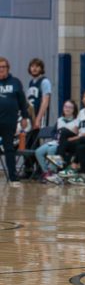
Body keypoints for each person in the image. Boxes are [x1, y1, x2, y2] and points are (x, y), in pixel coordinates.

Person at [0, 57, 30, 187]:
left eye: (3, 67)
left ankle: (13, 178)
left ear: (8, 68)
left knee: (9, 149)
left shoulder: (15, 82)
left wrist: (24, 117)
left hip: (9, 121)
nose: (1, 69)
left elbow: (22, 102)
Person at [37, 99, 79, 184]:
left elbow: (76, 136)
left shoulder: (76, 121)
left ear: (74, 110)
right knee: (38, 151)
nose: (67, 109)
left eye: (70, 107)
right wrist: (56, 136)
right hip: (56, 141)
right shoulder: (59, 120)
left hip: (65, 144)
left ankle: (53, 171)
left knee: (51, 150)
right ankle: (46, 172)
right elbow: (53, 132)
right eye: (66, 107)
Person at [26, 57, 52, 144]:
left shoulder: (45, 82)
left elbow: (45, 102)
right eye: (32, 66)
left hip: (40, 117)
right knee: (29, 143)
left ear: (41, 68)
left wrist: (38, 119)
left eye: (37, 66)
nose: (34, 68)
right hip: (31, 117)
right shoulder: (31, 82)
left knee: (37, 144)